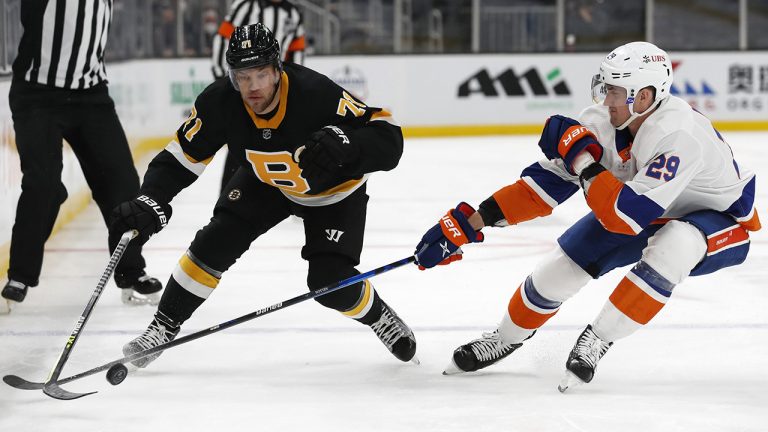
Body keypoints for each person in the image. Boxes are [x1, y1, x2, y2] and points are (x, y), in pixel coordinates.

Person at [414, 42, 760, 391]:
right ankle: (506, 337)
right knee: (557, 271)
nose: (606, 99)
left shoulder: (679, 134)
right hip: (646, 207)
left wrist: (583, 160)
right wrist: (470, 223)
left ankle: (598, 339)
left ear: (645, 96)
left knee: (677, 245)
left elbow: (625, 218)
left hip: (718, 221)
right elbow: (542, 187)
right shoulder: (600, 121)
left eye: (615, 91)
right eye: (605, 87)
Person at [109, 23, 416, 368]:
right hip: (266, 182)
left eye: (261, 74)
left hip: (333, 192)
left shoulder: (314, 93)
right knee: (212, 243)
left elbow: (389, 138)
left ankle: (379, 317)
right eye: (243, 76)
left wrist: (348, 144)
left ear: (277, 69)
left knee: (328, 282)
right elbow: (180, 158)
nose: (253, 86)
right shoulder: (219, 103)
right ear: (232, 76)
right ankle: (162, 329)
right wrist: (152, 197)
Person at [1, 0, 163, 312]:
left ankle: (131, 273)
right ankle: (19, 276)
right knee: (42, 186)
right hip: (37, 94)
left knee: (122, 184)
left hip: (91, 95)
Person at [211, 0, 306, 192]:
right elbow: (223, 38)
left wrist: (296, 84)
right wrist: (225, 80)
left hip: (275, 89)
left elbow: (297, 50)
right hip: (244, 85)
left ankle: (292, 195)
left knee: (285, 140)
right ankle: (229, 200)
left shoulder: (293, 13)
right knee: (241, 141)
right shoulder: (246, 5)